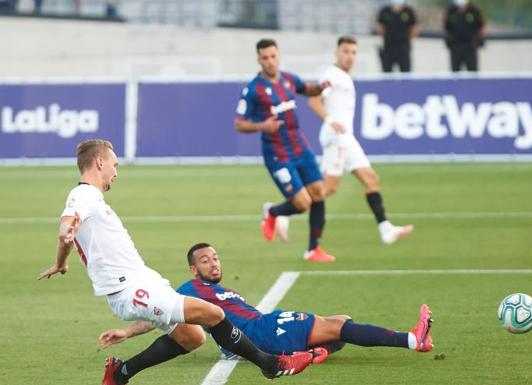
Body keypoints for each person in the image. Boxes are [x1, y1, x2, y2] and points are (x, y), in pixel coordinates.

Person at [37, 139, 313, 385]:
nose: (116, 172)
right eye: (114, 164)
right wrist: (65, 232)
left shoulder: (93, 198)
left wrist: (61, 261)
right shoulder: (83, 194)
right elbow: (67, 226)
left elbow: (69, 235)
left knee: (192, 337)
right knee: (215, 314)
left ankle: (120, 374)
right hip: (130, 291)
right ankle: (272, 365)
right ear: (99, 162)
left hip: (143, 279)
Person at [99, 242, 434, 365]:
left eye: (215, 258)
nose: (213, 263)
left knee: (341, 323)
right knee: (338, 326)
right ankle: (412, 339)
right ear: (193, 269)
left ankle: (312, 355)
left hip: (263, 327)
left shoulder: (218, 289)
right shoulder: (191, 289)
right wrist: (127, 332)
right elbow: (159, 314)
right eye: (205, 260)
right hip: (261, 332)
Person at [234, 38, 335, 263]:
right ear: (259, 59)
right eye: (265, 58)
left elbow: (307, 89)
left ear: (278, 56)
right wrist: (263, 126)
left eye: (273, 56)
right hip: (278, 154)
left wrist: (320, 88)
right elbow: (239, 123)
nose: (270, 61)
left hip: (300, 147)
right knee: (302, 203)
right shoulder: (253, 90)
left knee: (319, 193)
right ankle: (272, 212)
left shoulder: (289, 79)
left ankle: (313, 250)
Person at [308, 36, 413, 244]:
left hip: (347, 138)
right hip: (337, 138)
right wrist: (331, 121)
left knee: (371, 179)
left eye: (353, 52)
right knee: (328, 189)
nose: (350, 56)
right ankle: (282, 212)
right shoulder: (331, 75)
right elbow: (314, 100)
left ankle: (386, 229)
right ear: (337, 53)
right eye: (346, 51)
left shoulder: (345, 77)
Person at [376, 0, 419, 73]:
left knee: (405, 73)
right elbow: (380, 28)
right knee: (387, 73)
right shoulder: (385, 11)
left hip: (403, 47)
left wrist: (405, 39)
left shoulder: (408, 11)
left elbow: (414, 29)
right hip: (388, 47)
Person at [443, 0, 485, 72]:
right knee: (455, 73)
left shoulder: (474, 10)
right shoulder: (451, 10)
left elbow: (481, 26)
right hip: (455, 46)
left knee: (472, 72)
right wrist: (448, 41)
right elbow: (446, 27)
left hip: (470, 46)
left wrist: (479, 40)